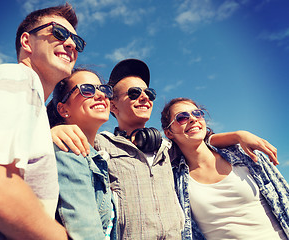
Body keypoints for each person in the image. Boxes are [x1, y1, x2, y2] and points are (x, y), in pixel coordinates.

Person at [51, 58, 278, 239]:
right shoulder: (101, 145)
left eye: (148, 93)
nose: (144, 97)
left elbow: (199, 138)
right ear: (112, 106)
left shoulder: (169, 147)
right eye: (133, 93)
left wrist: (238, 135)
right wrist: (54, 130)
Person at [0, 3, 86, 239]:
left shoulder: (29, 103)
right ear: (27, 42)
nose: (71, 44)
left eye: (78, 41)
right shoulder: (16, 78)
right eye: (59, 32)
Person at [161, 97, 289, 239]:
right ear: (169, 133)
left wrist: (239, 134)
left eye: (197, 113)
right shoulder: (174, 180)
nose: (192, 119)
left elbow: (285, 198)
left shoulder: (245, 155)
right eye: (182, 118)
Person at [46, 68, 117, 240]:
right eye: (87, 89)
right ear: (63, 110)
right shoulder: (68, 150)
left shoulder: (95, 158)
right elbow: (86, 232)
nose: (100, 95)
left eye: (104, 90)